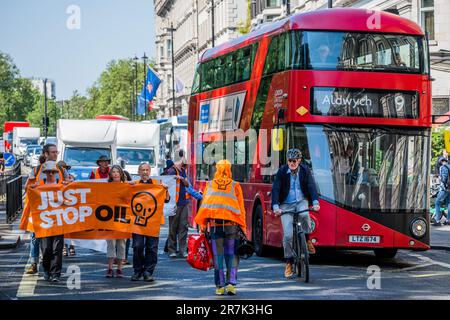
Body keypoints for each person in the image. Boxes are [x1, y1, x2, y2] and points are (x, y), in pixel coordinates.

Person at [195, 160, 246, 296]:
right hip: (232, 227)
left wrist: (203, 225)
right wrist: (243, 228)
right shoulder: (235, 185)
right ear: (229, 170)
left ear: (217, 170)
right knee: (232, 255)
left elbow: (205, 206)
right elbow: (241, 209)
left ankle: (220, 286)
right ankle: (231, 284)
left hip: (215, 226)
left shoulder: (210, 185)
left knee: (218, 257)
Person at [272, 148, 320, 279]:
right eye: (289, 160)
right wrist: (276, 206)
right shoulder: (282, 172)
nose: (292, 163)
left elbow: (311, 186)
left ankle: (307, 239)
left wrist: (315, 202)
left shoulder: (305, 170)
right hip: (285, 204)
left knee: (305, 215)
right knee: (287, 235)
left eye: (294, 161)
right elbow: (276, 188)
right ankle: (288, 262)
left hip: (301, 201)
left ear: (299, 161)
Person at [25, 144, 70, 275]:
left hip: (57, 214)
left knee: (55, 246)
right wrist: (33, 186)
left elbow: (71, 189)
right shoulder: (36, 170)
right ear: (46, 154)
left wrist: (68, 184)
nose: (56, 154)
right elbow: (27, 189)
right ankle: (35, 263)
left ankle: (54, 271)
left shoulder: (62, 170)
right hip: (40, 213)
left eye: (57, 152)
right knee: (36, 238)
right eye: (53, 152)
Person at [131, 163, 170, 282]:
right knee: (137, 246)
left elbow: (167, 200)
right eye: (142, 170)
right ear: (138, 172)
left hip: (153, 222)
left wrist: (166, 190)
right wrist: (128, 187)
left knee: (152, 248)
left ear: (150, 172)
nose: (145, 172)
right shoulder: (134, 185)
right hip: (137, 222)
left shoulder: (157, 185)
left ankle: (148, 271)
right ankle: (138, 271)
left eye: (147, 170)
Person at [105, 165, 130, 278]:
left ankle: (119, 269)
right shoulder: (106, 187)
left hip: (123, 218)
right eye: (113, 172)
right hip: (110, 219)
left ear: (120, 174)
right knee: (111, 243)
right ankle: (110, 268)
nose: (115, 174)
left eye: (117, 172)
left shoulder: (126, 186)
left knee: (121, 244)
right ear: (110, 174)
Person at [166, 159, 191, 258]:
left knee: (183, 227)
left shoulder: (182, 171)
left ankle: (182, 250)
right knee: (173, 227)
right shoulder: (171, 171)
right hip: (174, 204)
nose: (184, 166)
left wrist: (181, 178)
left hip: (183, 203)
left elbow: (187, 184)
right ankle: (172, 250)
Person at [434, 157, 450, 226]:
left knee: (437, 202)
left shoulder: (443, 167)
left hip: (444, 188)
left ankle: (437, 220)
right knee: (449, 203)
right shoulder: (449, 166)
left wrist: (443, 183)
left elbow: (444, 178)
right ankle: (448, 220)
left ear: (440, 162)